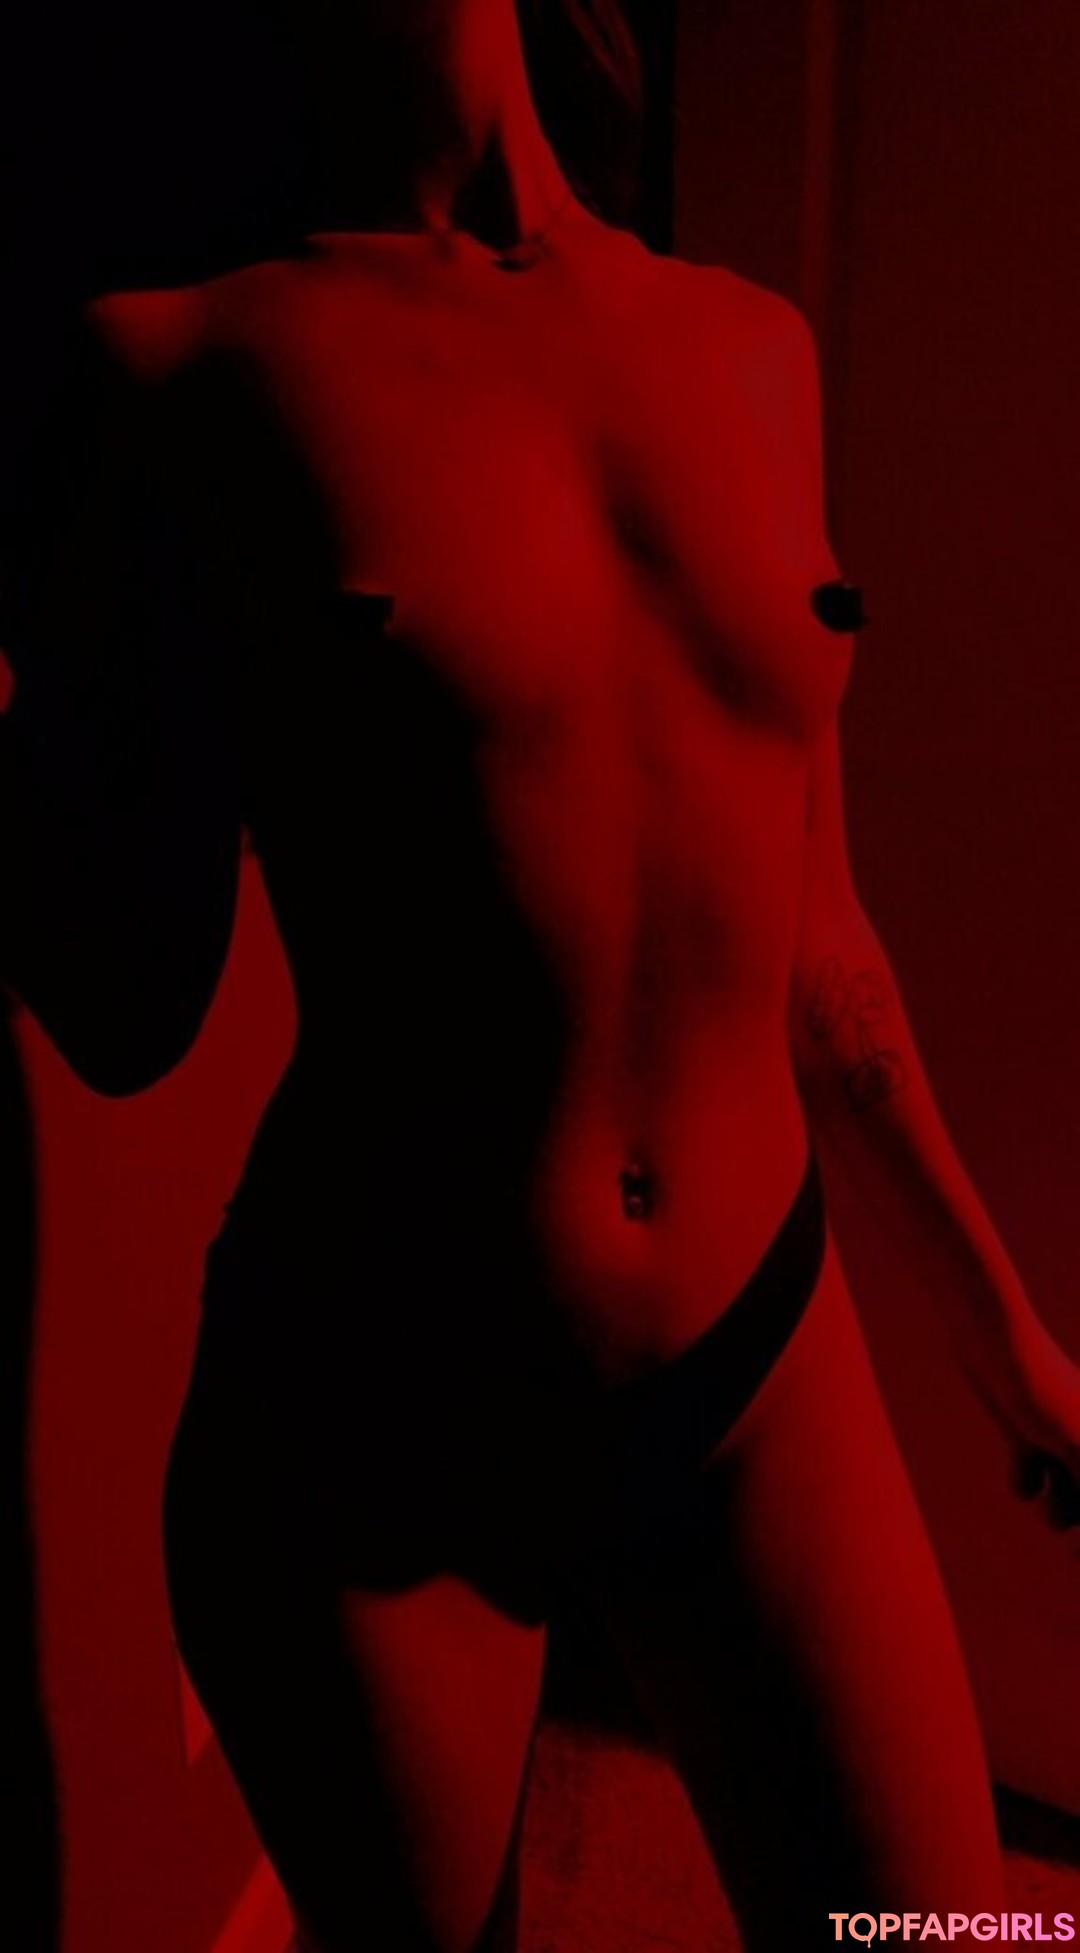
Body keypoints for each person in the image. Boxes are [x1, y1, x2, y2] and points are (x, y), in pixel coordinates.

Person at [2, 3, 1078, 1948]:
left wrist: (1008, 1336)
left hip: (758, 1364)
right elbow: (125, 1006)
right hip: (376, 1410)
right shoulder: (179, 365)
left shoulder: (755, 347)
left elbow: (821, 945)